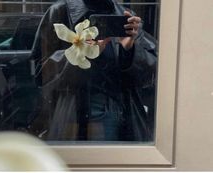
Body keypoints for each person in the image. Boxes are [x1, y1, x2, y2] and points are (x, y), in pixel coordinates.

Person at [30, 0, 157, 141]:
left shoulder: (125, 16)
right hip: (77, 108)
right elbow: (42, 73)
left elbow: (148, 75)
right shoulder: (61, 11)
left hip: (121, 109)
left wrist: (128, 49)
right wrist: (81, 53)